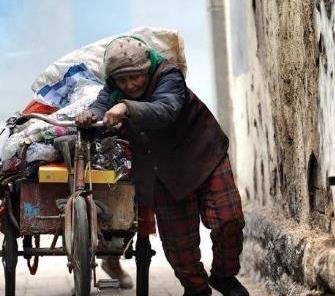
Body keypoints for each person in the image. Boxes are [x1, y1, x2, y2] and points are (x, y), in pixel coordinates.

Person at [75, 36, 249, 296]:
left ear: (147, 69)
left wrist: (125, 107)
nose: (130, 84)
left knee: (228, 219)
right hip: (161, 172)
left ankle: (224, 276)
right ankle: (196, 289)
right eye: (122, 80)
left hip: (202, 155)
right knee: (180, 248)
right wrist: (90, 116)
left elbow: (166, 109)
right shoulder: (113, 92)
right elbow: (101, 106)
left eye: (135, 77)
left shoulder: (168, 75)